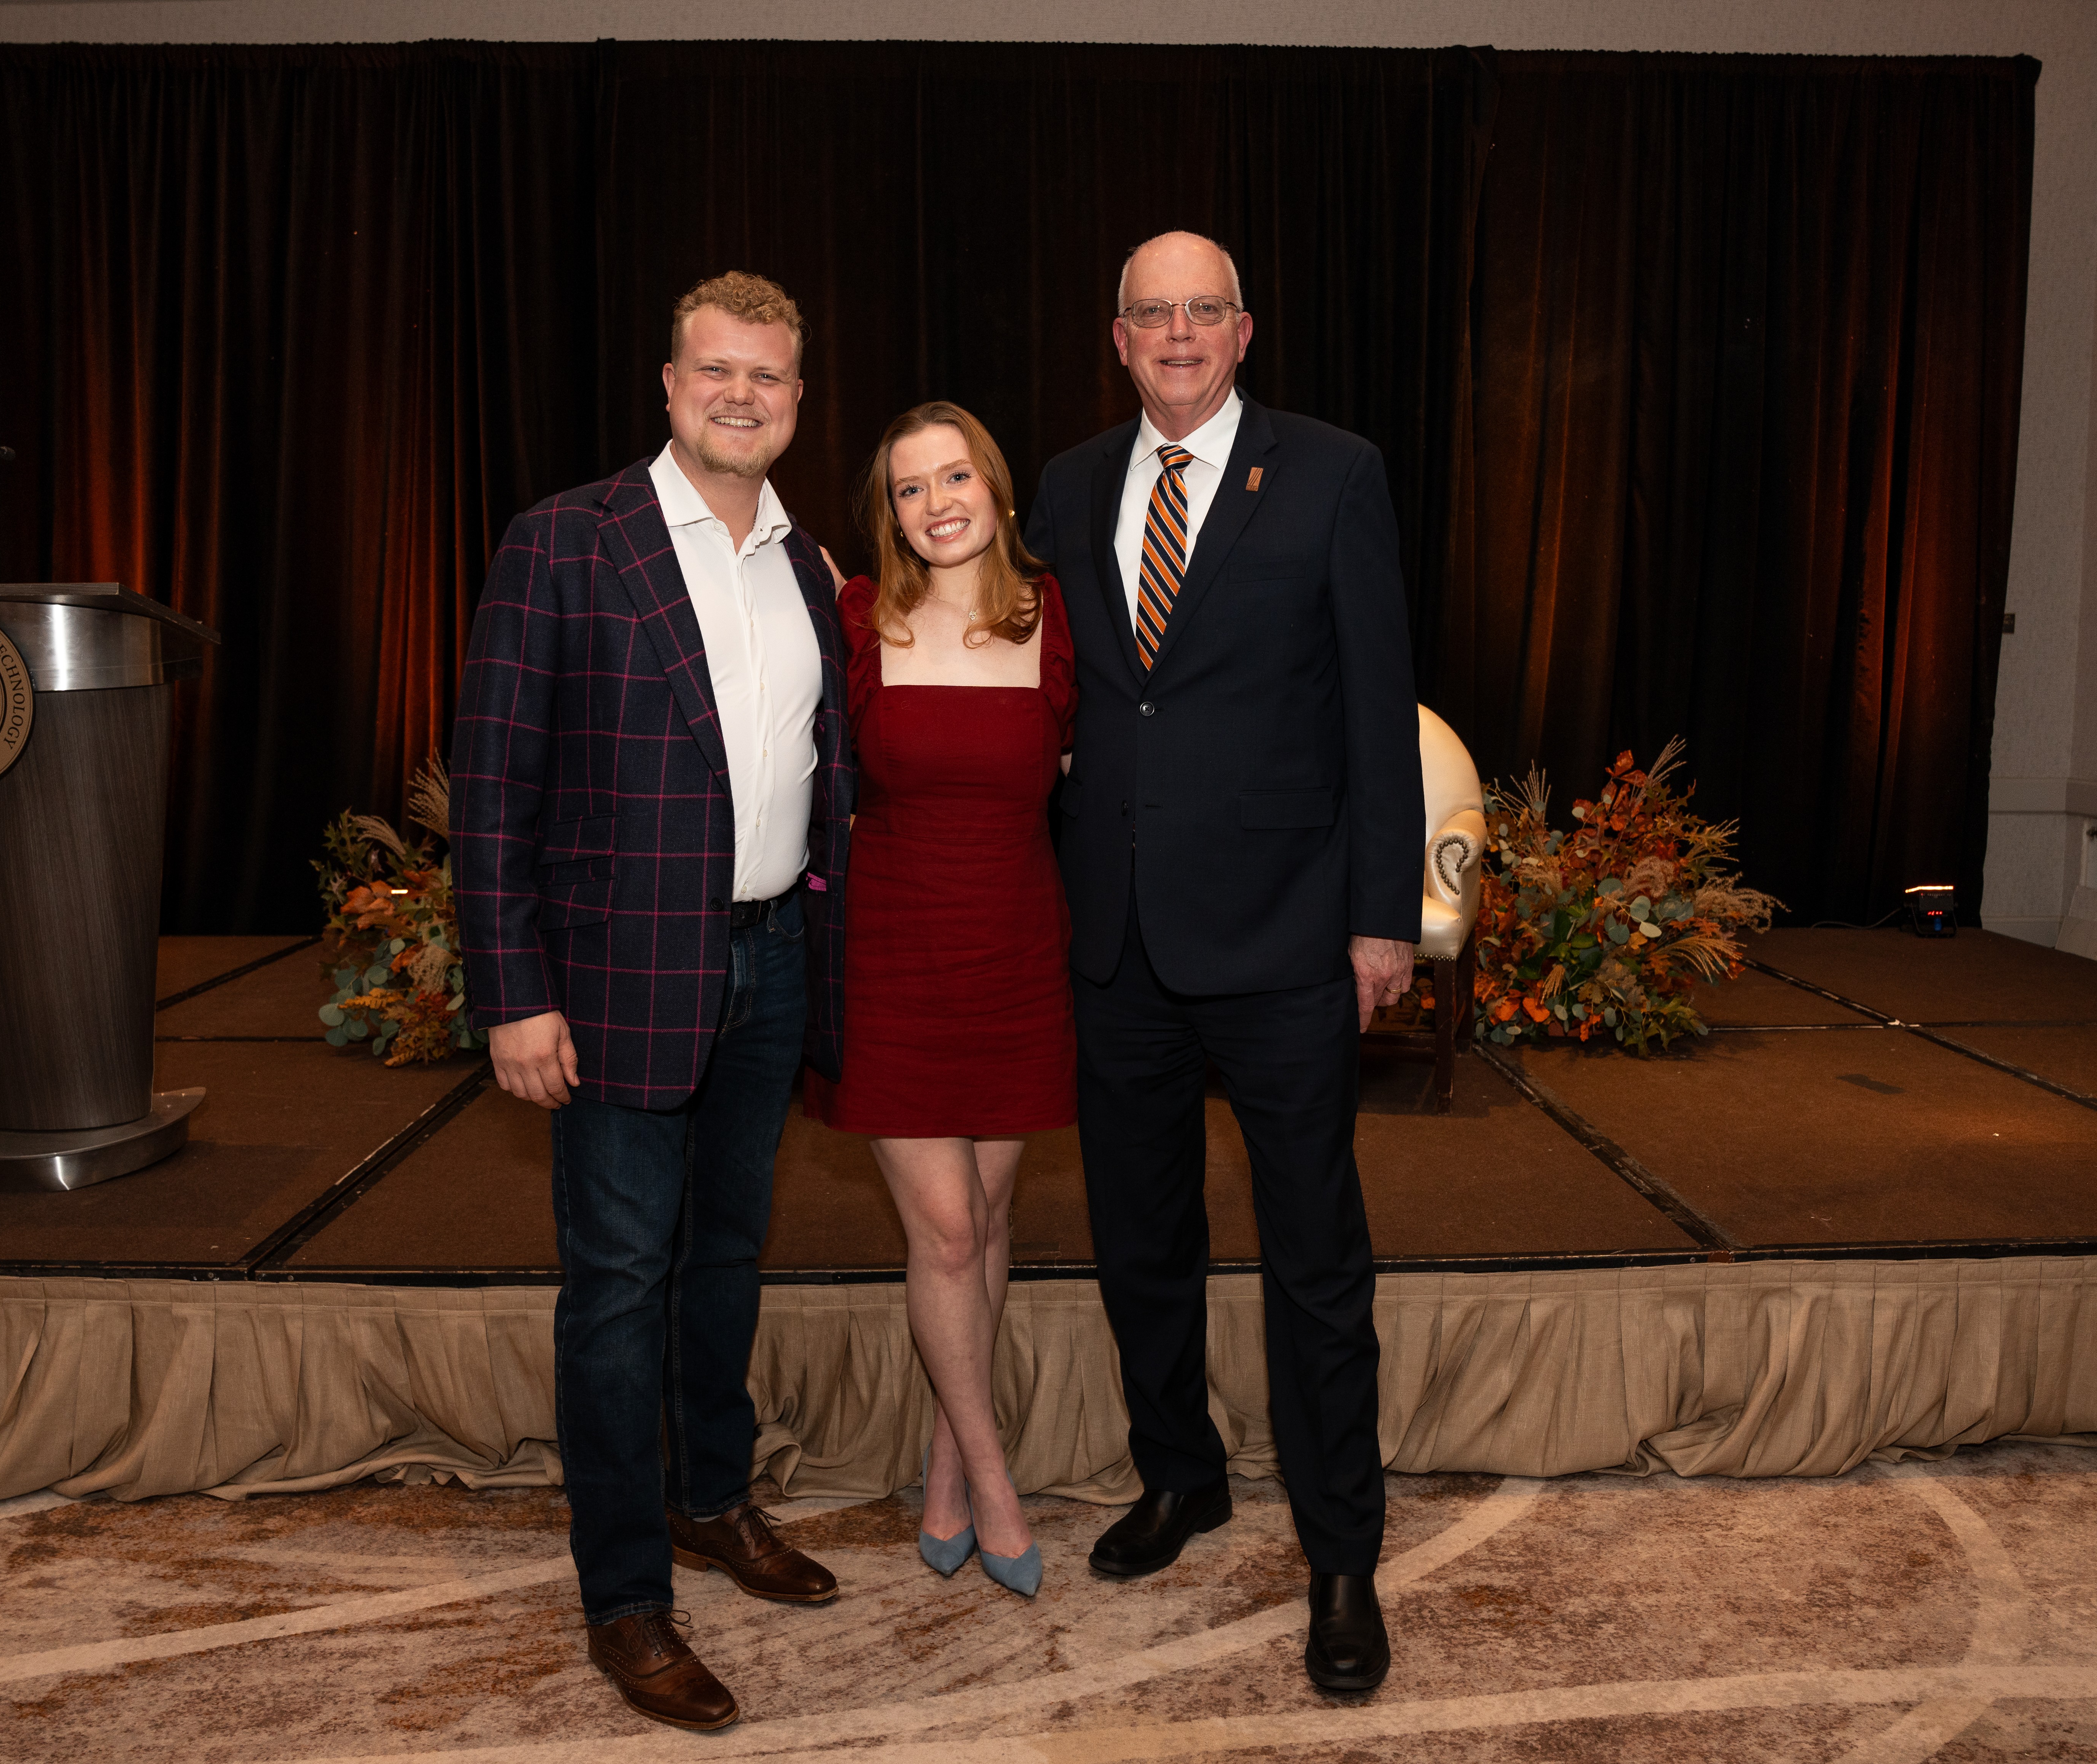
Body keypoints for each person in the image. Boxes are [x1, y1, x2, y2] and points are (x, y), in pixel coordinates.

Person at [450, 271, 852, 1734]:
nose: (742, 395)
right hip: (617, 977)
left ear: (797, 401)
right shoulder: (567, 540)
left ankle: (710, 1499)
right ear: (671, 386)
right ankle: (624, 1595)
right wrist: (514, 994)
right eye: (716, 371)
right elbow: (492, 783)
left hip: (771, 962)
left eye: (769, 377)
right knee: (618, 1289)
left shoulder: (810, 568)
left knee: (725, 1259)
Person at [1021, 231, 1422, 1693]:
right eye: (1153, 313)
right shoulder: (1066, 485)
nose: (1178, 333)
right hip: (1115, 939)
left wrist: (1382, 919)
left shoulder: (1332, 472)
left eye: (1204, 310)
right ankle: (1179, 1476)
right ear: (1118, 336)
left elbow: (1378, 706)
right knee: (1141, 1241)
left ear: (1243, 332)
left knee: (1314, 1261)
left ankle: (1341, 1551)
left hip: (1285, 934)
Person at [805, 401, 1076, 1600]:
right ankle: (997, 1482)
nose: (936, 504)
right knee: (950, 1231)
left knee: (990, 1222)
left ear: (994, 486)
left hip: (1015, 952)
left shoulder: (1054, 613)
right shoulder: (857, 616)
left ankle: (946, 1471)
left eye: (954, 477)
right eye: (910, 488)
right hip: (892, 957)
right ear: (889, 513)